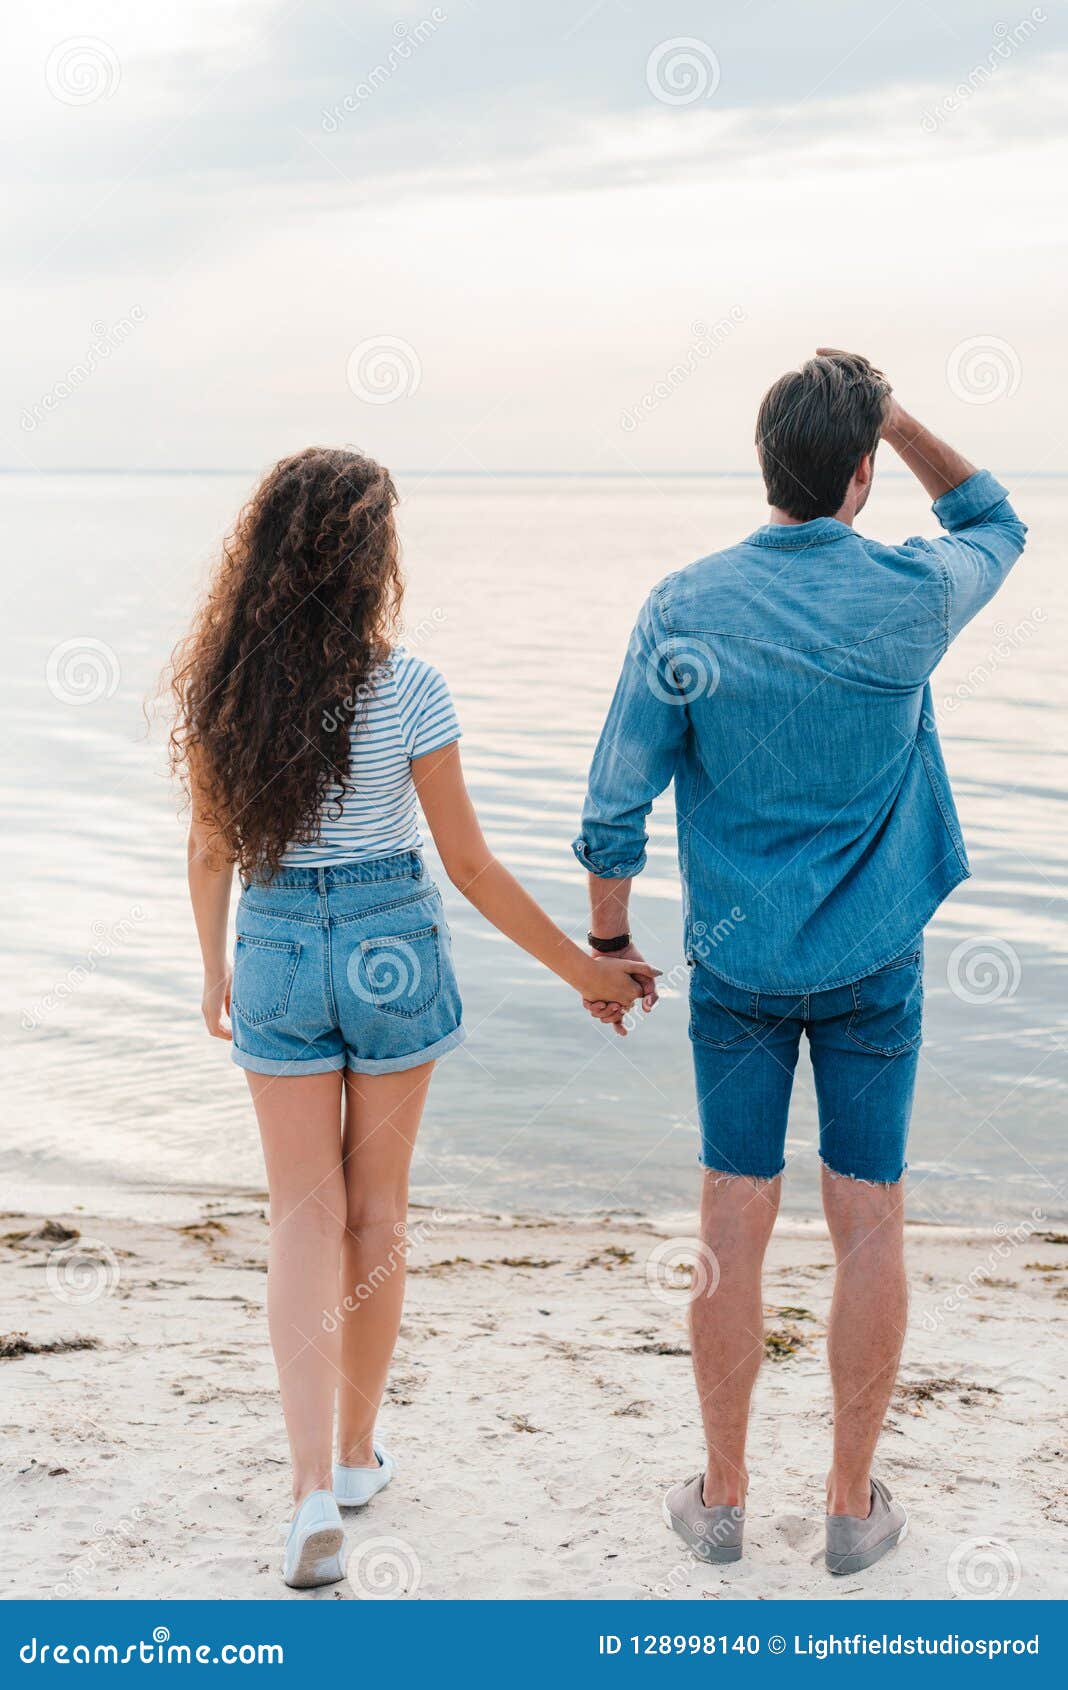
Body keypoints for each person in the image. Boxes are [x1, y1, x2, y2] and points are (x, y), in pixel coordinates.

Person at [169, 446, 656, 1589]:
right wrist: (584, 971)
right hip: (391, 944)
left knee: (302, 1216)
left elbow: (209, 849)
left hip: (277, 943)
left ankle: (306, 1492)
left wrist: (212, 968)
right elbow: (472, 866)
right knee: (376, 1211)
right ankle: (353, 1456)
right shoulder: (412, 687)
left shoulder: (225, 691)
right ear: (372, 560)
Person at [573, 351, 1027, 1576]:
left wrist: (610, 943)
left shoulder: (686, 605)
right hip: (876, 961)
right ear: (862, 473)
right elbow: (995, 517)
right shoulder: (912, 594)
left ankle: (721, 1500)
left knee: (732, 1212)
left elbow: (615, 803)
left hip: (739, 969)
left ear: (765, 464)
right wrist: (893, 412)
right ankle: (847, 1504)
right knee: (869, 1218)